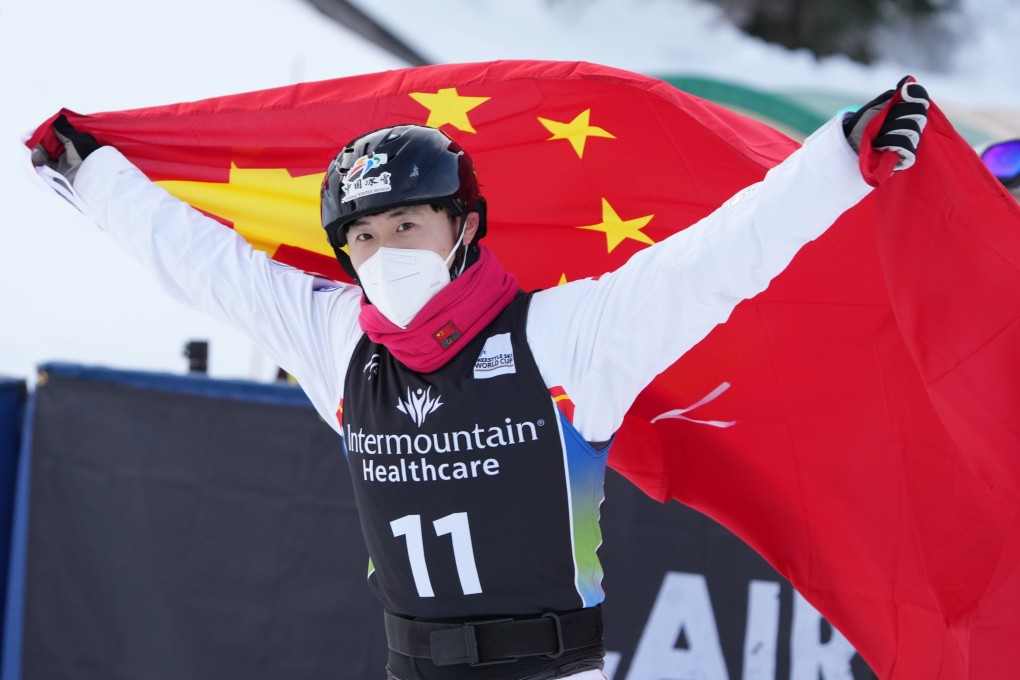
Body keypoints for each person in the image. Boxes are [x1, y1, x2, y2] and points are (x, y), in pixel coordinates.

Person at [33, 76, 929, 680]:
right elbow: (204, 263)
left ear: (462, 227)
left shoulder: (566, 338)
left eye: (408, 225)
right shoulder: (339, 342)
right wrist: (91, 172)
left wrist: (838, 162)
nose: (386, 254)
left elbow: (713, 263)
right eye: (365, 238)